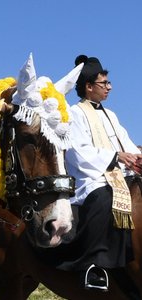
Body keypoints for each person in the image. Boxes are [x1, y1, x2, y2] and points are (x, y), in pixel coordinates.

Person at [46, 55, 142, 292]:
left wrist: (136, 157)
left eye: (108, 83)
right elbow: (78, 152)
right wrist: (115, 157)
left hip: (120, 174)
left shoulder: (111, 115)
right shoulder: (74, 113)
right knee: (104, 199)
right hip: (93, 178)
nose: (109, 87)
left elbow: (126, 143)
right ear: (89, 87)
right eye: (104, 83)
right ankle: (95, 266)